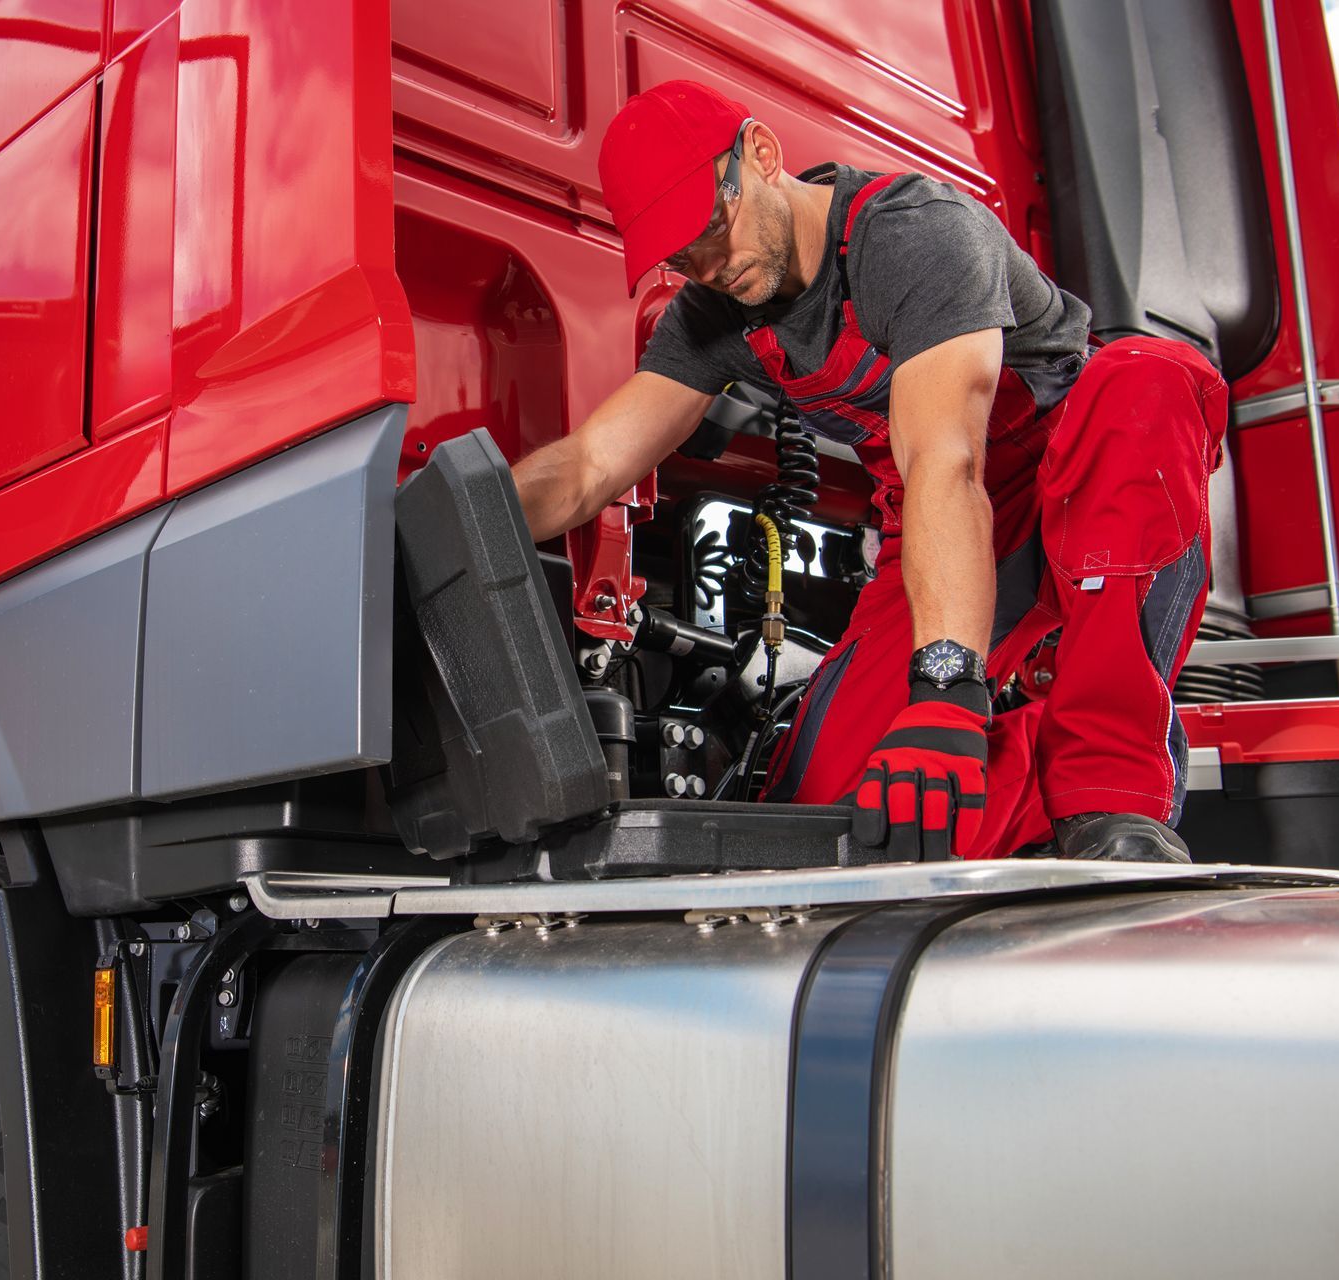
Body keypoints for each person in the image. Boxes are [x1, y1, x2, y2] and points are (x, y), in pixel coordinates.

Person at [512, 81, 1227, 861]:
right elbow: (589, 466)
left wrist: (947, 689)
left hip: (1071, 481)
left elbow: (946, 459)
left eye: (713, 227)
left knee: (1146, 379)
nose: (709, 264)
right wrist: (427, 527)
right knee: (837, 816)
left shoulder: (915, 234)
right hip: (929, 519)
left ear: (761, 153)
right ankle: (1029, 805)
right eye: (682, 255)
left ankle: (1111, 802)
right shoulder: (713, 315)